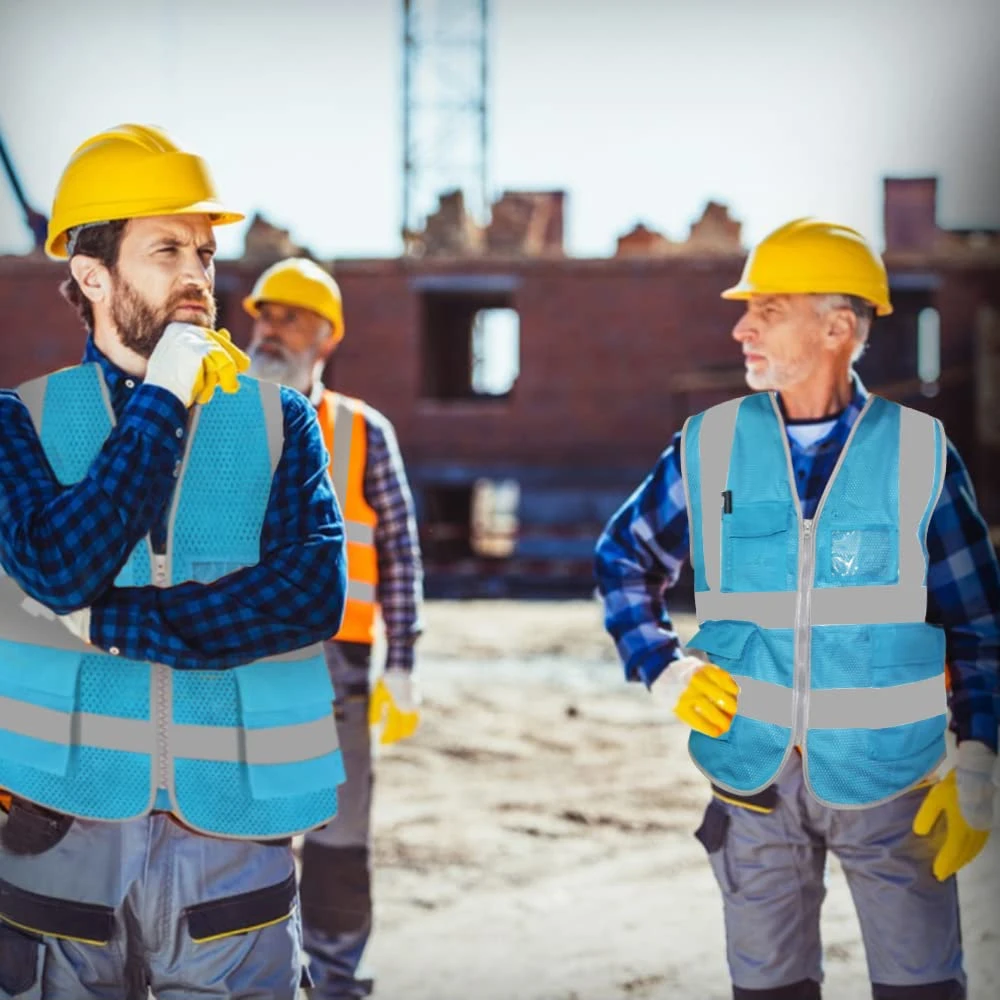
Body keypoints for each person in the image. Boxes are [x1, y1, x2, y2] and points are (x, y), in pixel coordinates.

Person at [594, 218, 1000, 1000]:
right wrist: (661, 667)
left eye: (768, 310)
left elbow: (980, 625)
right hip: (754, 784)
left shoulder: (920, 451)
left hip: (895, 787)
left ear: (837, 327)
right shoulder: (706, 444)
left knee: (923, 988)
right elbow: (623, 558)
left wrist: (980, 756)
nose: (740, 326)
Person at [0, 124, 349, 999]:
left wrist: (115, 625)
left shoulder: (281, 420)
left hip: (231, 835)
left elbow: (309, 595)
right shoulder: (18, 421)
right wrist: (161, 394)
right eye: (166, 251)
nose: (198, 274)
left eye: (204, 250)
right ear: (94, 275)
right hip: (61, 831)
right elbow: (58, 568)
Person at [243, 257, 424, 999]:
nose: (269, 329)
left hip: (338, 667)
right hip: (240, 660)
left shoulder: (361, 431)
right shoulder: (217, 420)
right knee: (246, 834)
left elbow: (401, 550)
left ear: (326, 336)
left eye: (288, 317)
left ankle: (337, 977)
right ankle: (257, 976)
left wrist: (403, 663)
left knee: (338, 839)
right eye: (264, 315)